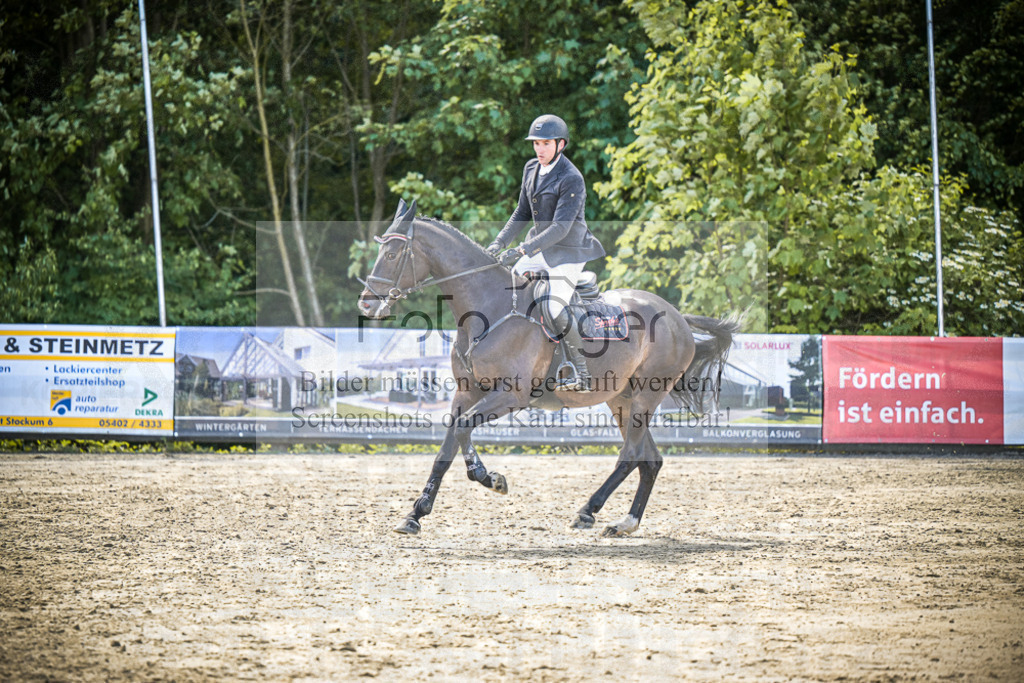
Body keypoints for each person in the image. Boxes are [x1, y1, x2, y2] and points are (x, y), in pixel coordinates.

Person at [486, 114, 606, 392]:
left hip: (568, 252)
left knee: (553, 306)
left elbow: (561, 229)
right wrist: (499, 242)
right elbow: (522, 212)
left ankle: (582, 371)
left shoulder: (571, 178)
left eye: (545, 144)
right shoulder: (531, 168)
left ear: (560, 144)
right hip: (540, 247)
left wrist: (522, 249)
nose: (539, 149)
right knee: (507, 291)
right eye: (536, 143)